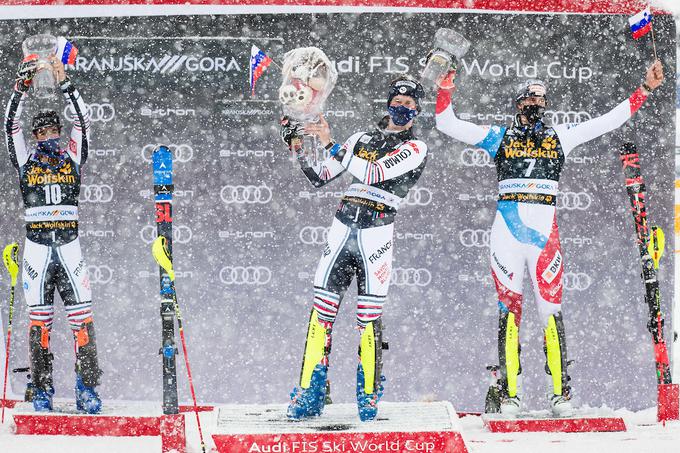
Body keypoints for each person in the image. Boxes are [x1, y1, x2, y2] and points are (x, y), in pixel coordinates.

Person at [434, 59, 664, 417]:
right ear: (518, 104)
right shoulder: (499, 137)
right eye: (530, 101)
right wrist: (445, 88)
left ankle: (560, 393)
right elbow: (446, 123)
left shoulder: (560, 136)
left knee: (550, 313)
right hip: (506, 236)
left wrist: (645, 89)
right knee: (508, 313)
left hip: (544, 237)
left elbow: (609, 120)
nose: (537, 107)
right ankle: (511, 393)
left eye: (542, 103)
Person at [280, 75, 428, 421]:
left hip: (376, 234)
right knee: (322, 311)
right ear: (388, 102)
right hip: (342, 227)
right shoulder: (360, 138)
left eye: (408, 104)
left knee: (368, 319)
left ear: (417, 110)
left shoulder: (416, 148)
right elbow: (319, 176)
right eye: (397, 101)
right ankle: (309, 394)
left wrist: (332, 144)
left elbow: (374, 174)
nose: (401, 108)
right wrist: (299, 146)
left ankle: (368, 398)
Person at [4, 54, 102, 413]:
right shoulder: (26, 158)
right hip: (37, 250)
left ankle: (87, 389)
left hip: (69, 247)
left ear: (60, 133)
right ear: (35, 136)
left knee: (82, 322)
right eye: (43, 132)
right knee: (40, 325)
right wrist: (20, 88)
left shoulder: (71, 158)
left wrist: (64, 81)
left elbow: (83, 122)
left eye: (53, 132)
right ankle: (42, 390)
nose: (49, 137)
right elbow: (10, 125)